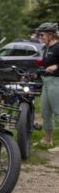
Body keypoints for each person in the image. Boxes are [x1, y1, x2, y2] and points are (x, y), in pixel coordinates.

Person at [35, 22, 59, 151]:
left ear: (51, 34)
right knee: (45, 112)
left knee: (58, 113)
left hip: (56, 82)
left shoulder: (58, 46)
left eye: (42, 35)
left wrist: (56, 66)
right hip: (46, 82)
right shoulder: (47, 47)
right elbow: (45, 63)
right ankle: (47, 139)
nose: (40, 37)